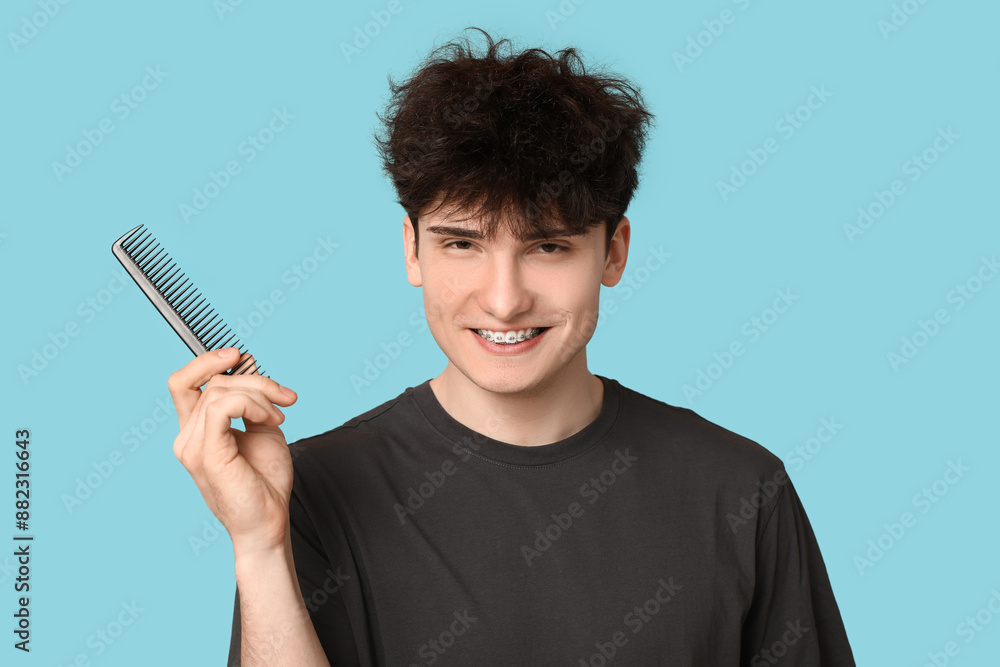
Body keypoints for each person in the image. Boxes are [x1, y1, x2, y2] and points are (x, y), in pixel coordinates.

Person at [168, 27, 856, 666]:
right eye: (462, 244)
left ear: (613, 252)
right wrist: (259, 547)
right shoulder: (310, 494)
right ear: (411, 250)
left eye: (547, 246)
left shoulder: (739, 491)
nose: (503, 299)